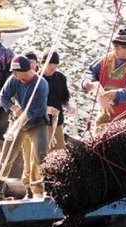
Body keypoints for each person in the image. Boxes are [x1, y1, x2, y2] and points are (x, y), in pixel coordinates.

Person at [0, 55, 58, 200]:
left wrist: (21, 117)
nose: (14, 75)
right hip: (17, 121)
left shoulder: (41, 85)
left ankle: (49, 192)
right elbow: (2, 97)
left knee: (41, 158)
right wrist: (12, 107)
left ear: (25, 70)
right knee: (6, 158)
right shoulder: (14, 80)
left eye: (16, 72)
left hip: (36, 123)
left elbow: (33, 111)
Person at [20, 50, 75, 198]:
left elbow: (65, 97)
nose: (53, 67)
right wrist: (45, 109)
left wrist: (69, 105)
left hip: (57, 123)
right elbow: (28, 105)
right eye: (50, 64)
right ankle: (36, 189)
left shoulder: (60, 78)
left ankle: (59, 186)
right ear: (43, 63)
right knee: (39, 157)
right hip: (41, 124)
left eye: (55, 64)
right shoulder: (35, 80)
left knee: (60, 154)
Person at [81, 28, 126, 128]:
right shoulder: (106, 59)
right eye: (114, 47)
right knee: (99, 126)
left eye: (119, 48)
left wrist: (116, 95)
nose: (115, 51)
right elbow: (90, 71)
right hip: (107, 109)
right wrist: (87, 82)